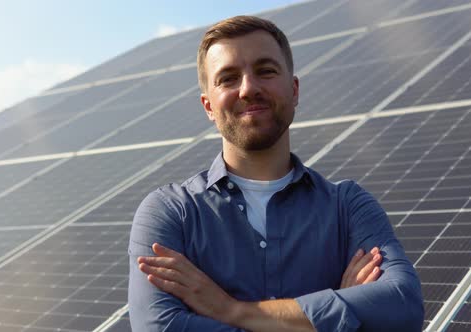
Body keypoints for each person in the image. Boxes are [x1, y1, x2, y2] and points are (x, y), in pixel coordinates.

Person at [128, 15, 424, 332]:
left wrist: (233, 311)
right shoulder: (172, 212)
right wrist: (338, 314)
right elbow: (159, 328)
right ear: (208, 107)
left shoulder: (348, 206)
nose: (248, 88)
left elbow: (402, 307)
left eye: (265, 71)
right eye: (227, 78)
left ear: (294, 90)